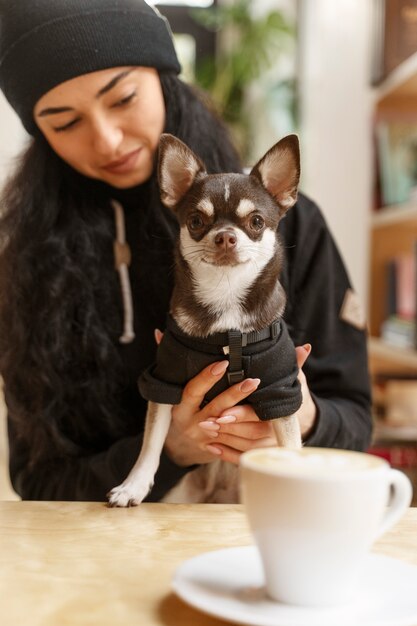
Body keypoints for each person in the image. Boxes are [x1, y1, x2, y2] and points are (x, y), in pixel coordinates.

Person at [0, 0, 372, 502]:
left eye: (124, 97)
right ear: (39, 133)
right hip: (114, 548)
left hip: (271, 530)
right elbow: (37, 481)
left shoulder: (289, 224)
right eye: (65, 122)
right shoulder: (27, 265)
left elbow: (357, 420)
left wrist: (303, 416)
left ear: (164, 79)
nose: (107, 139)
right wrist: (169, 452)